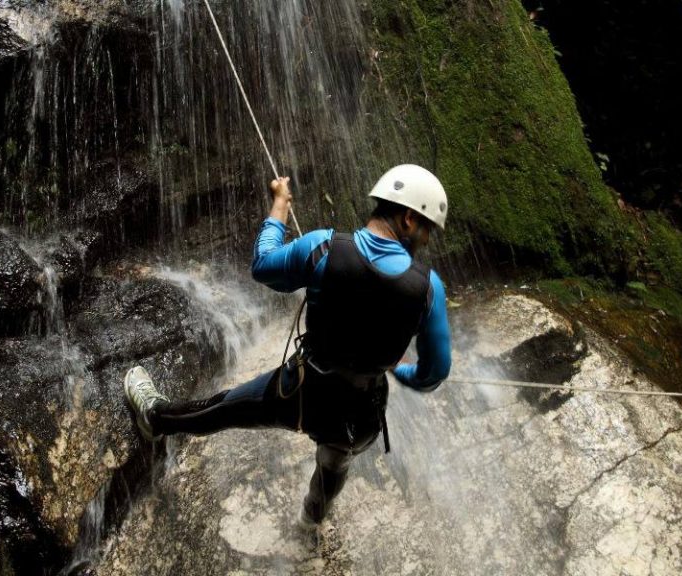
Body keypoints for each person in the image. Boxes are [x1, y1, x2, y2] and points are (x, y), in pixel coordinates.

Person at [124, 164, 452, 527]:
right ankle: (312, 518)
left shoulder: (323, 247)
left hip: (302, 392)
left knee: (223, 409)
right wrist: (401, 370)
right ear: (408, 218)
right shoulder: (429, 288)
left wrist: (279, 203)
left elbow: (263, 265)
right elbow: (433, 373)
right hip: (360, 414)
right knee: (334, 465)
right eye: (427, 229)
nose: (426, 240)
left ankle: (155, 418)